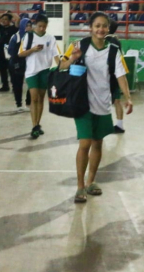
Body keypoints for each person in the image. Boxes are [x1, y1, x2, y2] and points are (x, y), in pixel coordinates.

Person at [60, 12, 133, 203]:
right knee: (85, 143)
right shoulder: (78, 46)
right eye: (97, 25)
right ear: (91, 28)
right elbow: (60, 66)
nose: (101, 29)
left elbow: (121, 76)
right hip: (82, 103)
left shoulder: (114, 51)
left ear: (108, 29)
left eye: (104, 26)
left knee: (98, 143)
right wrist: (72, 59)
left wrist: (128, 98)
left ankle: (91, 181)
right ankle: (79, 186)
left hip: (103, 103)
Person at [19, 14, 60, 138]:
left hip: (45, 71)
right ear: (35, 25)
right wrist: (32, 49)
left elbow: (56, 55)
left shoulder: (50, 38)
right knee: (34, 98)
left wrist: (60, 69)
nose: (42, 29)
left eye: (44, 26)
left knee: (41, 98)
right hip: (31, 72)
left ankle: (37, 124)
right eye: (40, 26)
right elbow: (21, 54)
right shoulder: (28, 36)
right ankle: (34, 125)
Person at [6, 17, 33, 112]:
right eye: (27, 26)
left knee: (31, 83)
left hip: (29, 63)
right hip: (15, 63)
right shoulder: (16, 37)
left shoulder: (33, 37)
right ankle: (19, 104)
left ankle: (28, 103)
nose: (28, 28)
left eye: (30, 26)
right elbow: (10, 51)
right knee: (17, 85)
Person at [107, 20, 126, 133]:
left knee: (105, 103)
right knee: (117, 101)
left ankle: (103, 125)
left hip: (109, 76)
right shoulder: (117, 40)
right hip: (117, 75)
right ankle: (120, 125)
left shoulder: (107, 41)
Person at [0, 11, 20, 92]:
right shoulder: (1, 28)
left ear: (10, 21)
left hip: (10, 52)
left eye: (6, 19)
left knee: (12, 70)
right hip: (1, 52)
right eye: (3, 19)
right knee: (2, 70)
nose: (3, 21)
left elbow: (18, 18)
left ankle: (15, 86)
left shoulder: (14, 28)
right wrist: (3, 13)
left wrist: (11, 13)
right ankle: (5, 86)